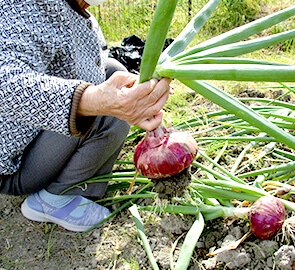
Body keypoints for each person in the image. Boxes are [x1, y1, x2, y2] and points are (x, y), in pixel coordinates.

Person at [0, 0, 172, 232]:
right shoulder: (24, 6)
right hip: (12, 164)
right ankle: (54, 199)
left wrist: (138, 86)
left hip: (36, 139)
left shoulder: (78, 11)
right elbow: (5, 85)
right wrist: (97, 100)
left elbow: (97, 64)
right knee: (111, 113)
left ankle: (75, 184)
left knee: (114, 70)